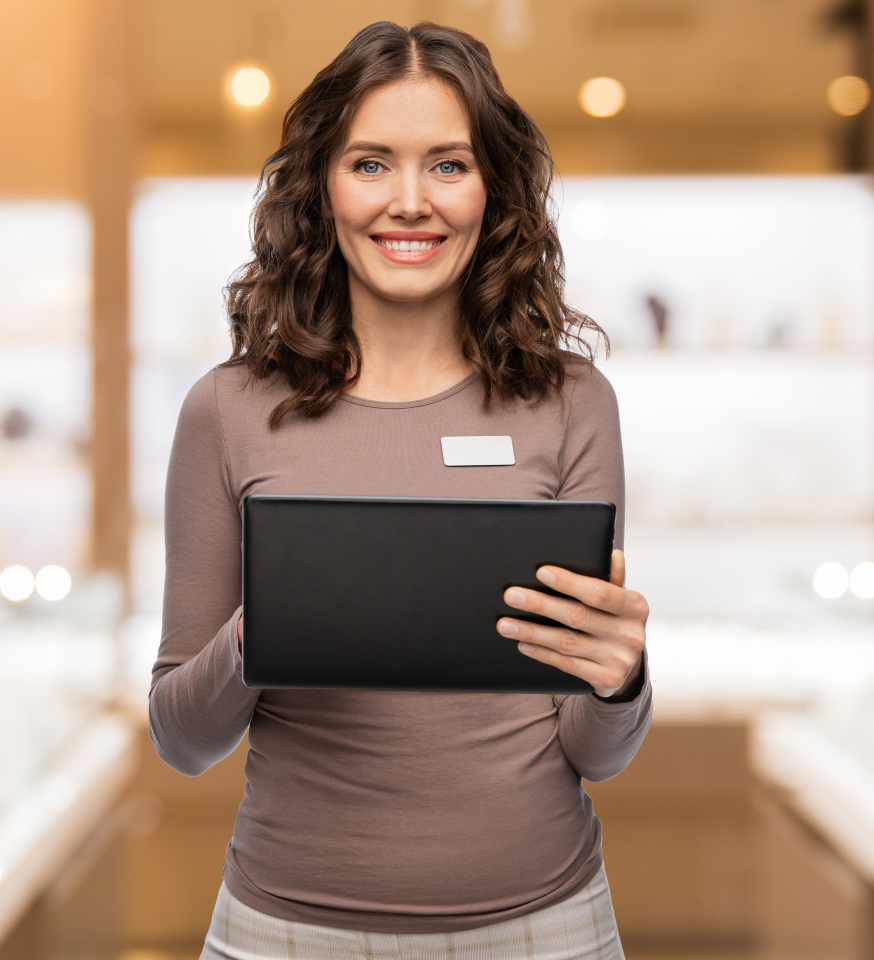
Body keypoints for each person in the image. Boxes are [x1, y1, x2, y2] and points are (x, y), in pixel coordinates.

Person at [150, 21, 652, 960]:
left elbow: (596, 753)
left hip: (546, 929)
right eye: (372, 163)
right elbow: (182, 740)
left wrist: (621, 679)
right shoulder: (226, 410)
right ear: (322, 188)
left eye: (448, 165)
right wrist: (271, 625)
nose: (410, 203)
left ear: (492, 189)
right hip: (283, 931)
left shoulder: (575, 405)